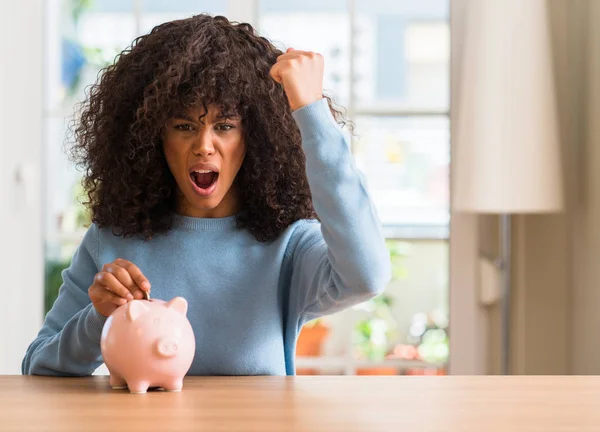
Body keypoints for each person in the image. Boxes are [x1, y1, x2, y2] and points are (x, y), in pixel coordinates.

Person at [22, 14, 390, 376]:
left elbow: (367, 275)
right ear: (153, 138)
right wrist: (98, 317)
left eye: (225, 126)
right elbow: (38, 365)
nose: (204, 146)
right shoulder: (112, 239)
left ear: (254, 138)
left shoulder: (289, 245)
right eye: (184, 126)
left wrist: (312, 114)